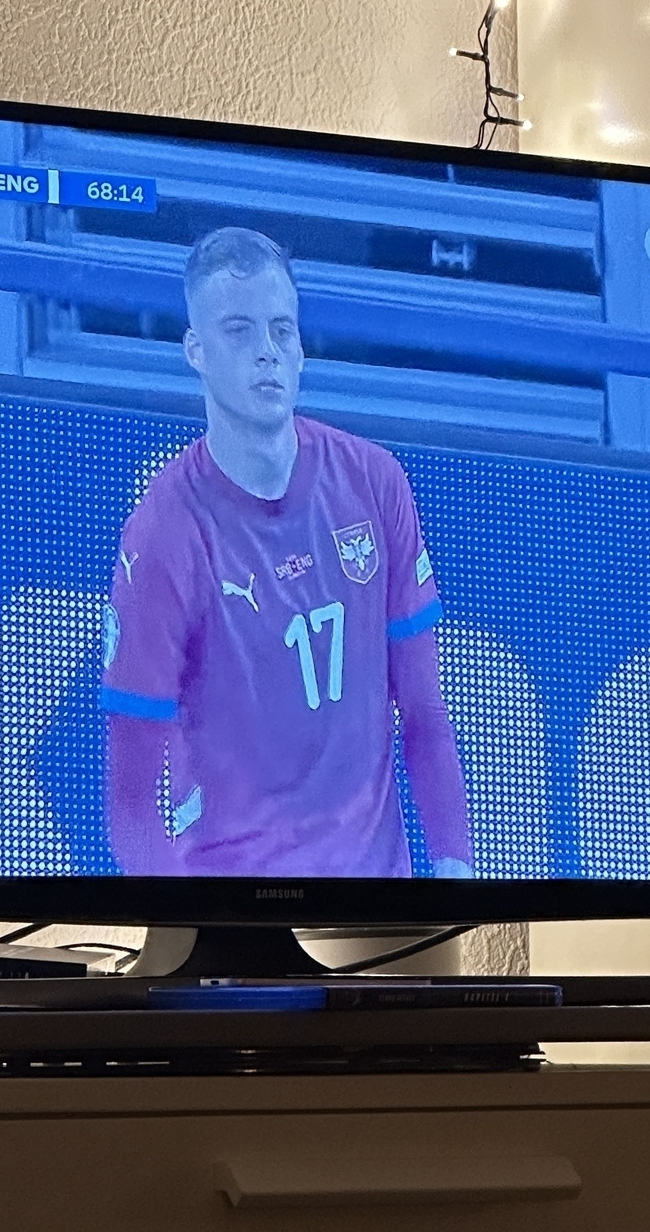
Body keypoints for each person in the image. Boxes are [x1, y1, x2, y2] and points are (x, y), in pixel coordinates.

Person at [100, 225, 473, 878]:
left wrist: (453, 867)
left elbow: (425, 715)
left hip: (377, 914)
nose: (266, 353)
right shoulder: (163, 536)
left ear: (302, 349)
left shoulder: (375, 482)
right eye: (238, 332)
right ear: (197, 351)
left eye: (281, 331)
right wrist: (187, 926)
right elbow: (130, 801)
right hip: (228, 911)